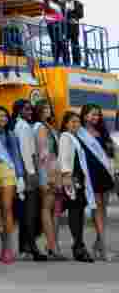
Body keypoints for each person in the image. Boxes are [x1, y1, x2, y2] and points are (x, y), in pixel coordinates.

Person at [76, 104, 113, 261]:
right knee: (96, 210)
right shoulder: (78, 132)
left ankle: (98, 243)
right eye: (92, 115)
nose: (95, 118)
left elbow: (109, 153)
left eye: (97, 115)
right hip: (90, 176)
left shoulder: (103, 133)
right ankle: (104, 248)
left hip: (104, 174)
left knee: (103, 210)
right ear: (84, 115)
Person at [0, 105, 23, 264]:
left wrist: (20, 176)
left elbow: (15, 155)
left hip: (8, 171)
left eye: (5, 116)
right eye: (0, 116)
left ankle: (8, 248)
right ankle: (3, 247)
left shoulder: (10, 135)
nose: (3, 119)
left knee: (7, 207)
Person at [58, 111, 94, 262]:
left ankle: (79, 245)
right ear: (66, 124)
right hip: (72, 179)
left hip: (80, 179)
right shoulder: (66, 137)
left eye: (77, 122)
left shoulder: (77, 137)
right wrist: (67, 176)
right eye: (72, 122)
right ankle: (78, 246)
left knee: (79, 212)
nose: (75, 124)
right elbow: (64, 158)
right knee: (74, 211)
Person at [11, 99, 45, 260]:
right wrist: (32, 173)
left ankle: (25, 245)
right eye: (27, 109)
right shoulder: (23, 127)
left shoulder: (19, 125)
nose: (30, 112)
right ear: (19, 111)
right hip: (28, 172)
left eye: (31, 109)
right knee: (30, 213)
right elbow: (25, 153)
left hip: (25, 171)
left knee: (26, 212)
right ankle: (32, 246)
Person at [33, 100, 65, 260]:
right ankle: (52, 245)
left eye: (49, 108)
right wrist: (45, 178)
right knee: (47, 207)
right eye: (44, 108)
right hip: (48, 172)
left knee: (55, 210)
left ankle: (52, 244)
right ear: (38, 110)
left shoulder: (49, 127)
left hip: (55, 170)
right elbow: (42, 155)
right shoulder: (40, 127)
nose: (48, 111)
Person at [42, 0, 65, 65]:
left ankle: (63, 59)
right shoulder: (45, 4)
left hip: (59, 24)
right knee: (54, 41)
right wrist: (54, 17)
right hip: (51, 25)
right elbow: (45, 16)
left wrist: (56, 17)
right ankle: (55, 59)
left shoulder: (58, 3)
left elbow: (62, 15)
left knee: (60, 41)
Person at [63, 0, 85, 66]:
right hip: (65, 28)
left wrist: (72, 10)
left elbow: (81, 15)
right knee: (64, 45)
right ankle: (66, 61)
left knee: (75, 45)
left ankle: (76, 62)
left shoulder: (78, 4)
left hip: (74, 28)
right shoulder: (62, 4)